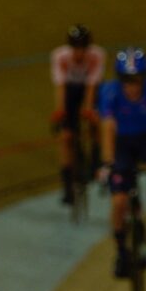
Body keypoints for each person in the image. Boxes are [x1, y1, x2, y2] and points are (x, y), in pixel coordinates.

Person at [97, 48, 146, 278]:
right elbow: (107, 126)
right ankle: (121, 253)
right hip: (122, 145)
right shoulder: (109, 92)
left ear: (145, 79)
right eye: (127, 81)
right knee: (119, 201)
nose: (132, 86)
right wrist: (108, 162)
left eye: (137, 80)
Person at [50, 24, 106, 205]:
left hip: (89, 90)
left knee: (97, 121)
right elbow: (60, 87)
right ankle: (67, 187)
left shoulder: (97, 55)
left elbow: (92, 85)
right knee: (66, 137)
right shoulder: (59, 56)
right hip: (70, 91)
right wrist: (60, 111)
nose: (79, 53)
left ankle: (97, 161)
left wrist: (89, 110)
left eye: (83, 48)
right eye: (76, 48)